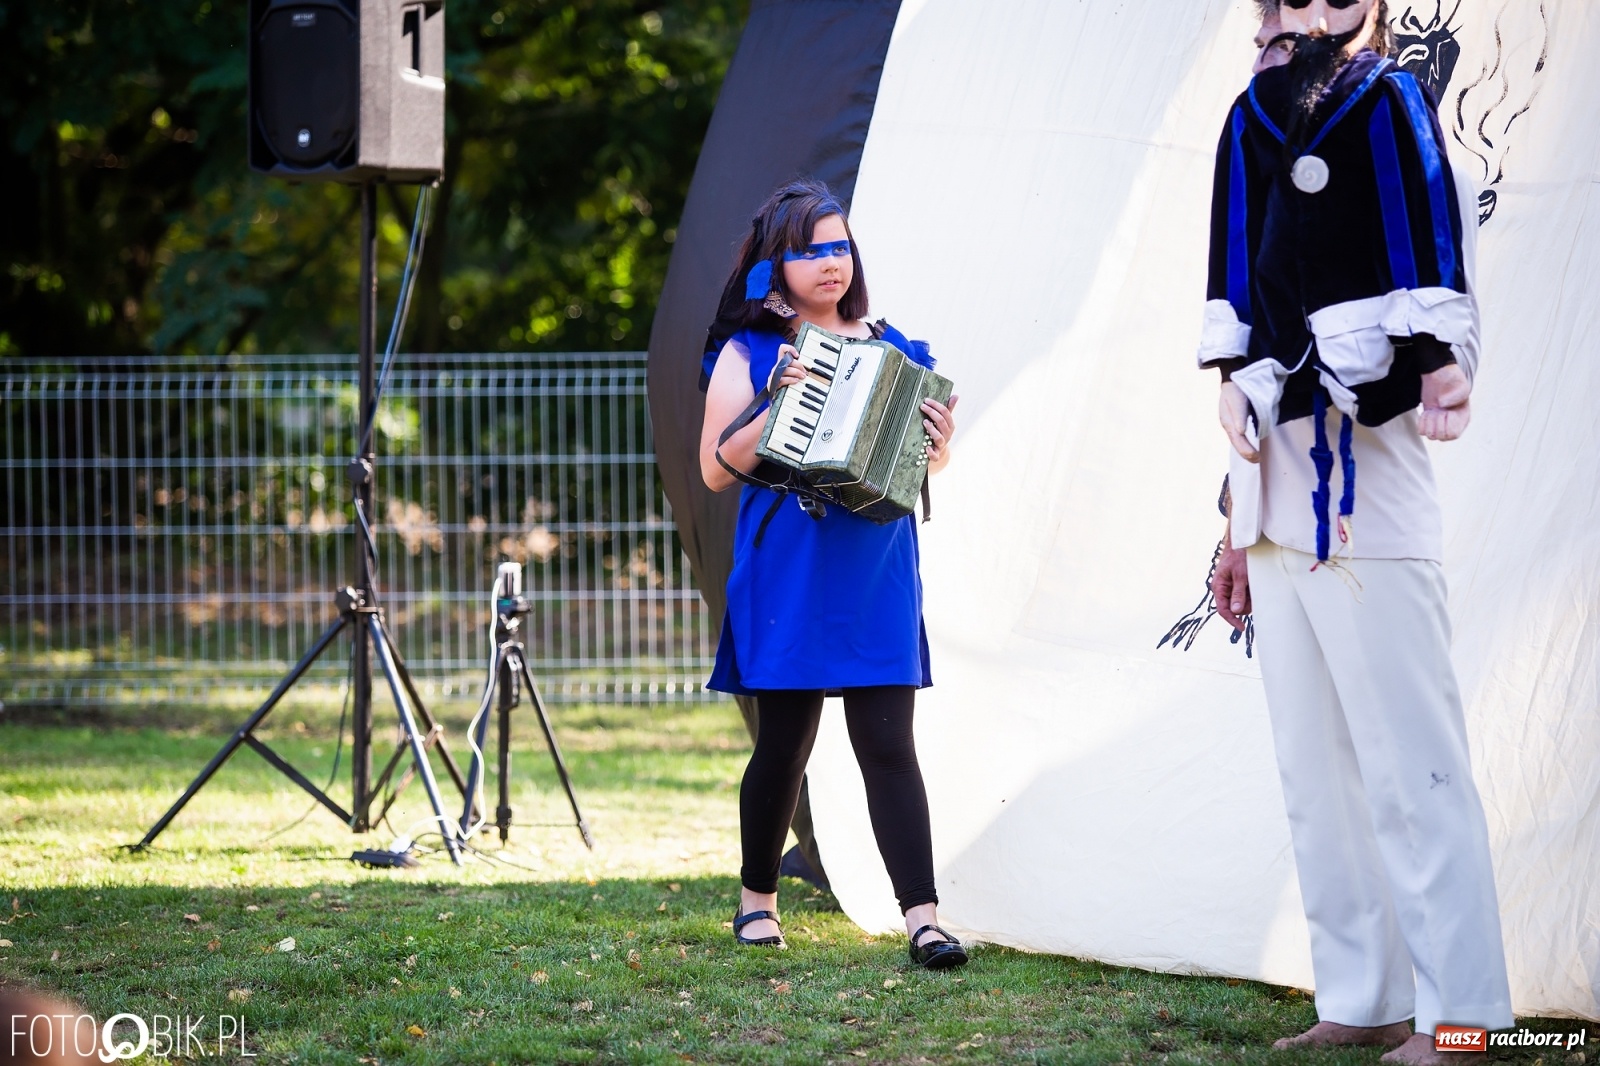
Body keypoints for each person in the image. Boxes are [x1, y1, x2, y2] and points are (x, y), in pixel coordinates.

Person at [1196, 2, 1513, 1062]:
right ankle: (1364, 992)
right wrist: (1231, 529)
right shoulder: (1251, 122)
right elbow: (1248, 315)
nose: (1295, 17)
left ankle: (1466, 1018)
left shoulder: (1392, 109)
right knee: (1313, 766)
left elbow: (1426, 255)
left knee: (1413, 766)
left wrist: (1437, 363)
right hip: (1276, 495)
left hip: (1370, 485)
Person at [698, 178, 966, 969]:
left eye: (839, 246)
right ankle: (756, 902)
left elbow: (923, 464)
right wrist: (771, 403)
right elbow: (716, 470)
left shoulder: (894, 345)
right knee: (784, 746)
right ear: (774, 266)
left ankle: (923, 919)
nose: (830, 263)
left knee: (890, 746)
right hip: (790, 569)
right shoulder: (748, 354)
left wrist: (940, 441)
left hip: (877, 566)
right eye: (809, 250)